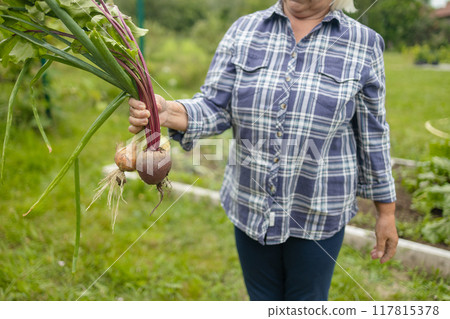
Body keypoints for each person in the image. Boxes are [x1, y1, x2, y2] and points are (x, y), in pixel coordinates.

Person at [128, 0, 399, 301]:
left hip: (319, 208)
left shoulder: (364, 43)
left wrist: (385, 211)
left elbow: (373, 133)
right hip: (250, 204)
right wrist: (168, 111)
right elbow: (214, 106)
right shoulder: (244, 30)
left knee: (307, 301)